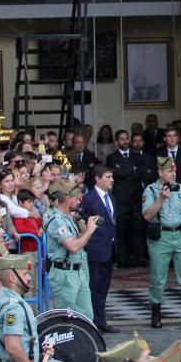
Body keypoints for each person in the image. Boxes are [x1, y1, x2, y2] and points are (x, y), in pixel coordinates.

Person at [142, 157, 181, 329]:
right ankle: (156, 313)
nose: (173, 174)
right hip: (161, 237)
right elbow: (146, 215)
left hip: (180, 237)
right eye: (169, 171)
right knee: (158, 278)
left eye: (174, 171)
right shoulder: (151, 190)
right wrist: (160, 199)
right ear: (160, 172)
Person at [0, 252, 54, 362]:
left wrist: (37, 353)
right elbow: (12, 347)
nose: (29, 278)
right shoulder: (13, 308)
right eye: (25, 274)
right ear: (12, 278)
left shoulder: (5, 298)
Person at [44, 181, 98, 320]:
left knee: (86, 317)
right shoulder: (57, 220)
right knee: (65, 319)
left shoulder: (69, 218)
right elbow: (73, 246)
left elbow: (82, 237)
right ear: (68, 199)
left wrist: (82, 222)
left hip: (77, 272)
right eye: (76, 197)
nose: (80, 200)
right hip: (64, 274)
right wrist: (90, 230)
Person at [80, 164, 119, 333]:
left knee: (103, 288)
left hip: (109, 247)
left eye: (111, 177)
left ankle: (101, 320)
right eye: (108, 177)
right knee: (93, 287)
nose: (111, 180)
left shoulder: (112, 197)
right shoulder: (89, 198)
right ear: (98, 179)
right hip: (95, 249)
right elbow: (80, 217)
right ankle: (92, 321)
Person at [108, 130, 155, 268]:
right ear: (117, 142)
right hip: (121, 199)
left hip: (136, 198)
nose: (125, 141)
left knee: (138, 229)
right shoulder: (112, 157)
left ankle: (139, 258)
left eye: (126, 138)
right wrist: (133, 171)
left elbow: (144, 171)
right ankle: (123, 259)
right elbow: (116, 173)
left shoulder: (136, 155)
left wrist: (127, 171)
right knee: (121, 230)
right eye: (121, 139)